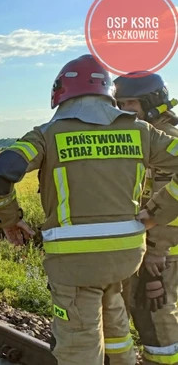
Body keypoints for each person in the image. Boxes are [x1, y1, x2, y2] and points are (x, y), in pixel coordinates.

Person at [0, 54, 178, 365]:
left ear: (60, 93)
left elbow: (1, 171)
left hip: (74, 263)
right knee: (115, 323)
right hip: (126, 256)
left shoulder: (47, 134)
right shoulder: (140, 131)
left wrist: (9, 221)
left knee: (78, 342)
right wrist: (157, 211)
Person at [114, 71, 178, 365]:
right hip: (147, 244)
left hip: (163, 251)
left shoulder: (168, 140)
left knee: (157, 315)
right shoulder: (143, 135)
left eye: (131, 103)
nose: (125, 110)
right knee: (140, 311)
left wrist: (156, 252)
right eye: (120, 103)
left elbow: (172, 203)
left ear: (152, 104)